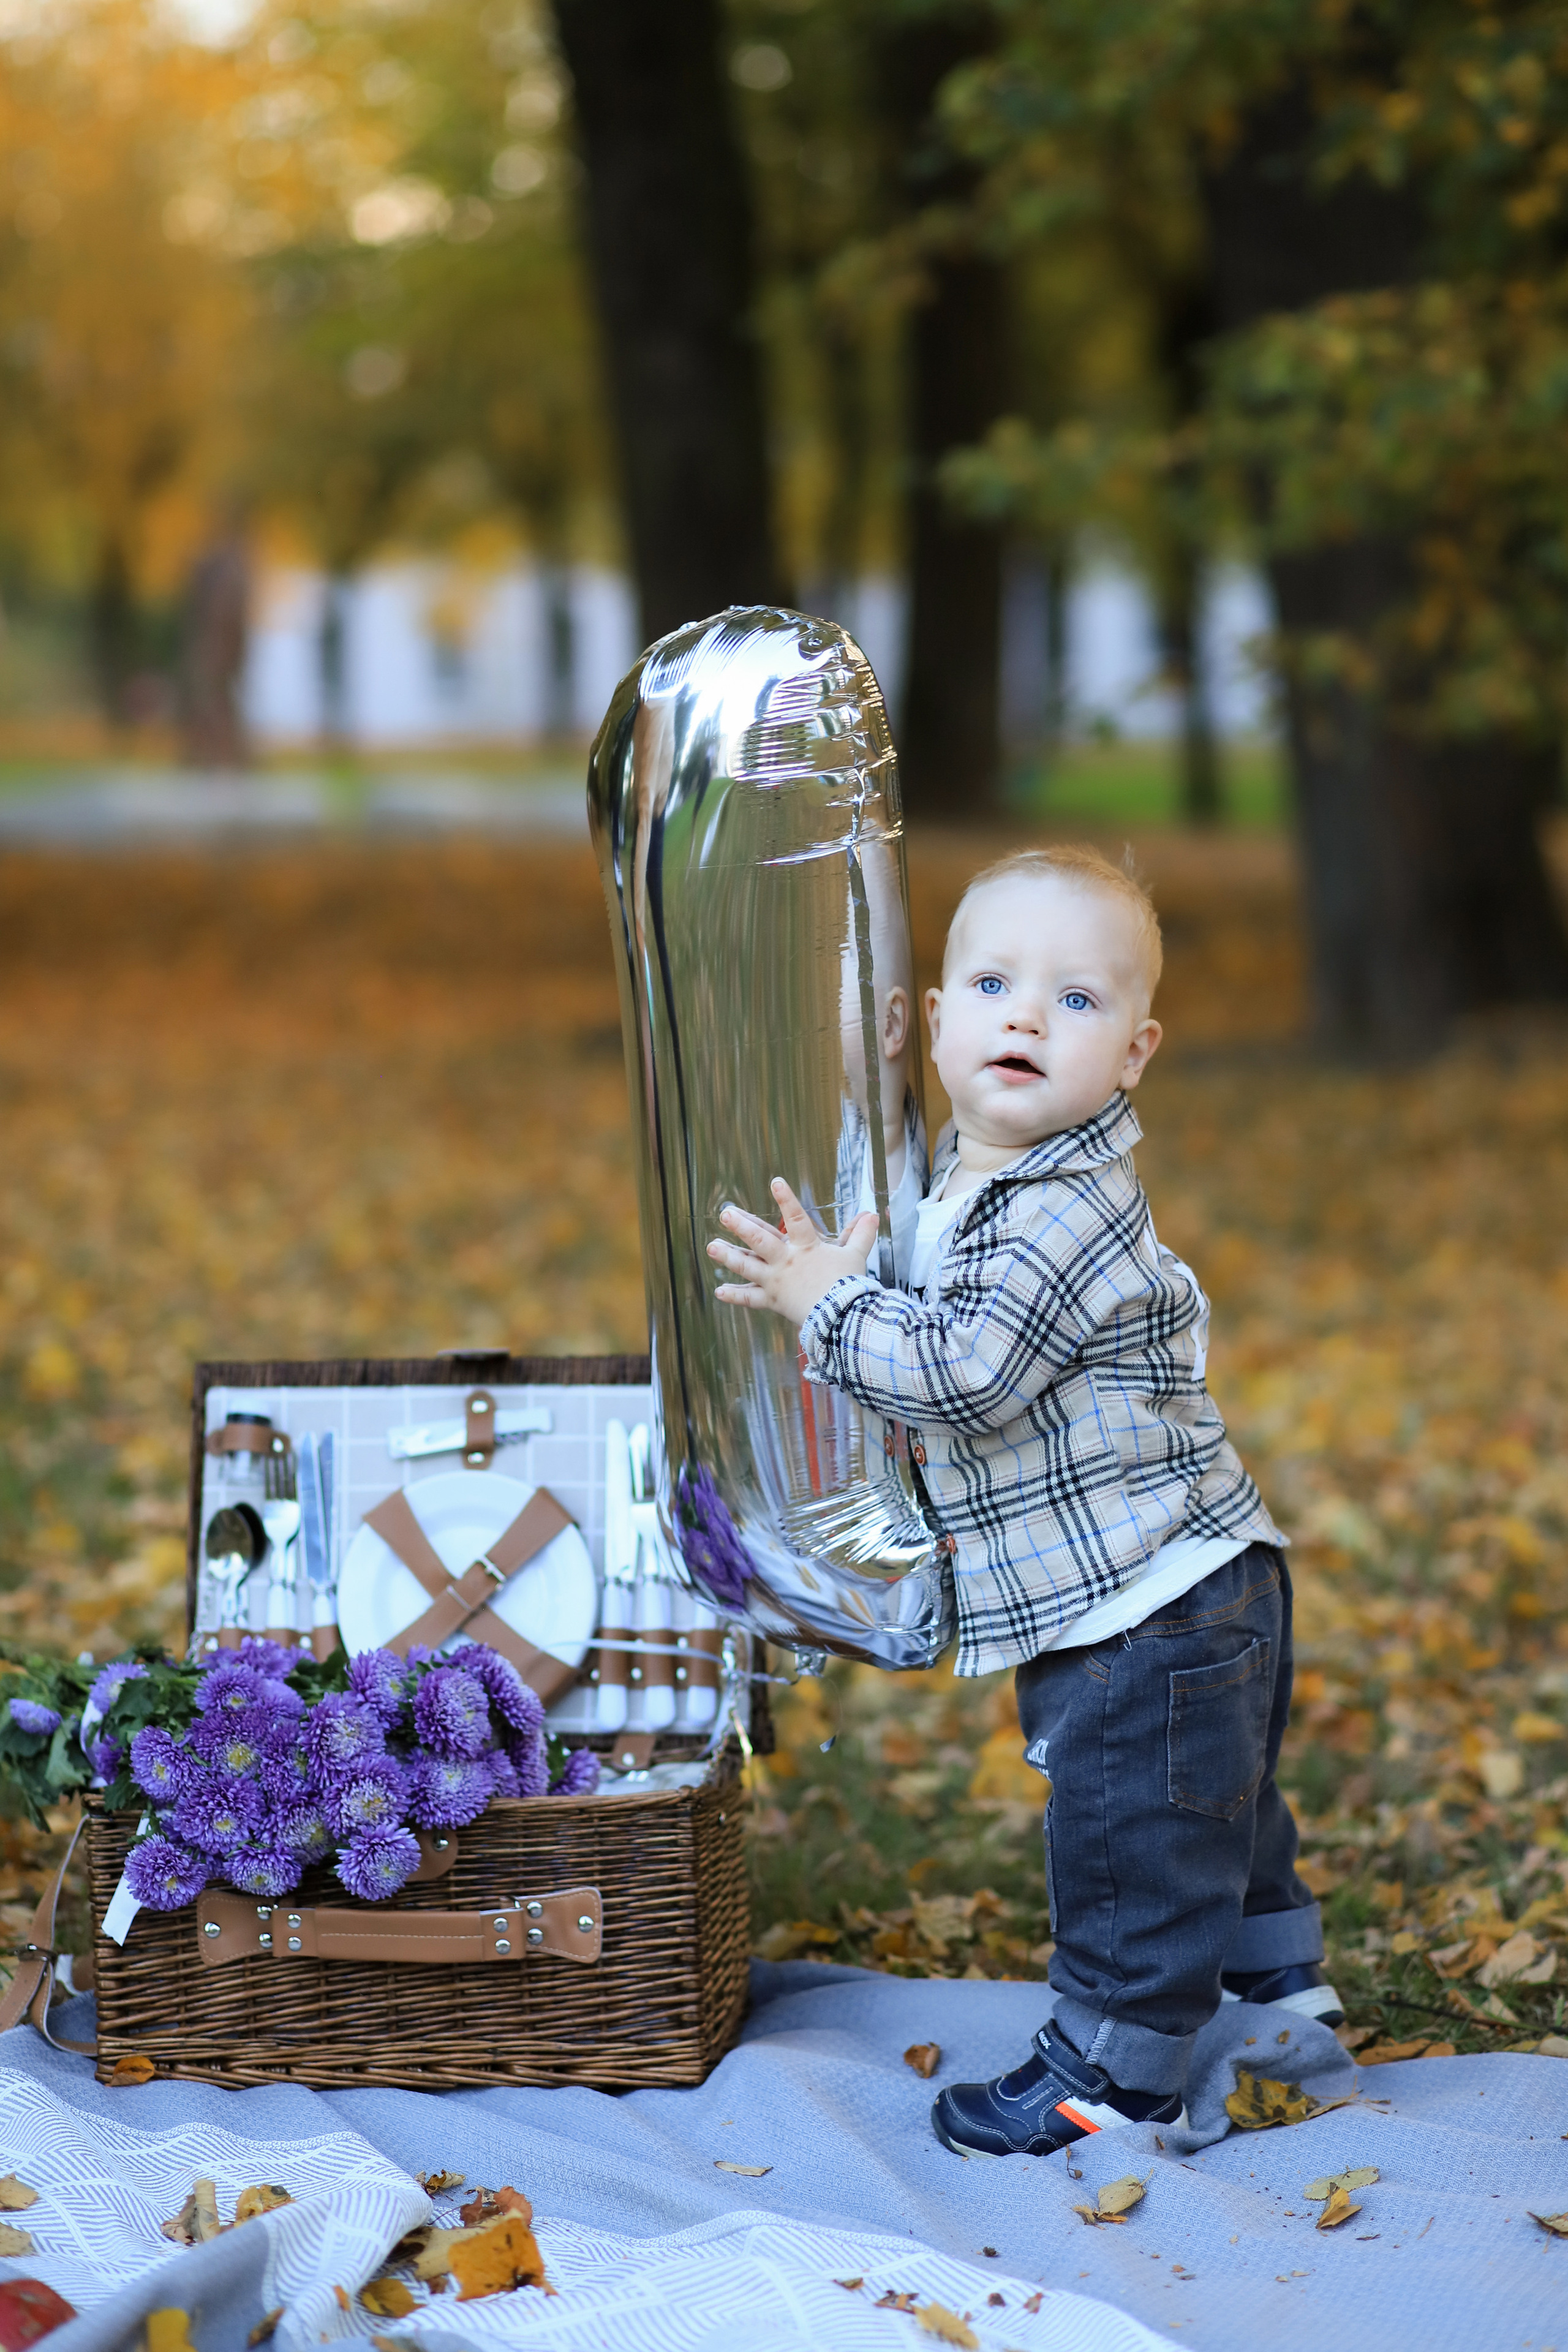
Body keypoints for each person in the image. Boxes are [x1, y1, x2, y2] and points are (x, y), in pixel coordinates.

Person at [706, 844, 1336, 2156]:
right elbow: (920, 1166)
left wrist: (824, 1299)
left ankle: (1107, 2079)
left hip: (1146, 1609)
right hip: (1184, 1583)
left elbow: (963, 1375)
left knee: (1130, 1840)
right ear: (931, 1025)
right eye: (991, 983)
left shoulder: (1062, 1206)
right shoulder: (979, 1160)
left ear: (1133, 1055)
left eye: (1075, 1001)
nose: (1025, 1018)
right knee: (1214, 1812)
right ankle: (1278, 1992)